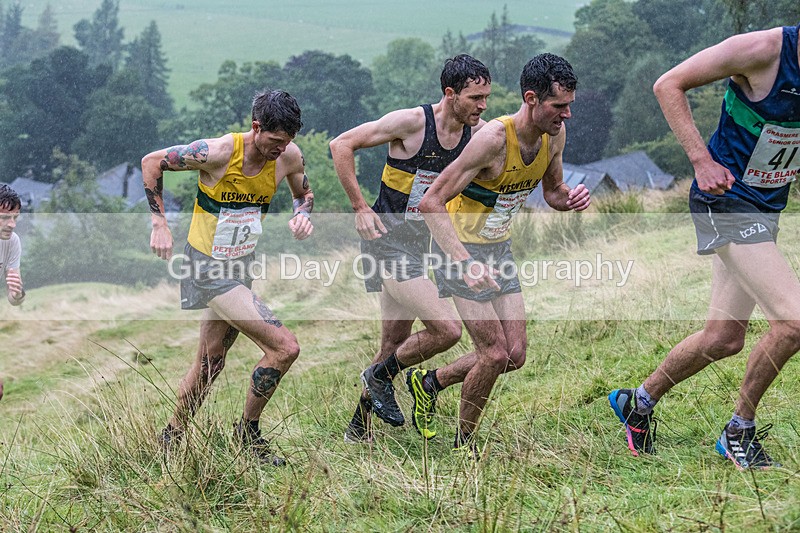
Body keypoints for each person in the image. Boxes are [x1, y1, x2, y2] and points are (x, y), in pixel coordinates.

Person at [608, 23, 800, 469]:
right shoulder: (762, 50)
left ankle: (639, 401)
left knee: (723, 338)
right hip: (726, 200)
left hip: (765, 207)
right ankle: (738, 431)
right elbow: (667, 84)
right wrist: (701, 160)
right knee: (793, 322)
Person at [417, 53, 590, 453]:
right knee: (493, 354)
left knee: (514, 354)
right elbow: (430, 202)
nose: (566, 115)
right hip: (457, 251)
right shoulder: (493, 140)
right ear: (531, 99)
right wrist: (465, 263)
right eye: (558, 106)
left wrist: (569, 199)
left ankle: (430, 383)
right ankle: (465, 446)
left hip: (498, 249)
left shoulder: (554, 135)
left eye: (569, 106)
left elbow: (553, 191)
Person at [142, 89, 314, 465]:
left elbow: (304, 193)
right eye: (275, 140)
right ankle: (247, 435)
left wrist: (302, 214)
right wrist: (159, 223)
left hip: (240, 267)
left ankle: (170, 439)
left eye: (287, 141)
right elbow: (152, 162)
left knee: (211, 362)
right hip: (207, 268)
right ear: (256, 127)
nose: (281, 149)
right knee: (285, 348)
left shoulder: (289, 156)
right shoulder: (218, 152)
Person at [329, 55, 492, 443]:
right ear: (450, 94)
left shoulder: (479, 133)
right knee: (447, 330)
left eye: (487, 97)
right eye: (475, 97)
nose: (483, 105)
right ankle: (379, 377)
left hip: (423, 247)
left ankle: (358, 428)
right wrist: (359, 207)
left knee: (392, 344)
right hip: (386, 242)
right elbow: (341, 144)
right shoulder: (413, 123)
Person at [0, 184, 25, 402]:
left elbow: (14, 298)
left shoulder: (12, 242)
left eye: (15, 217)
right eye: (5, 217)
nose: (12, 224)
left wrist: (17, 293)